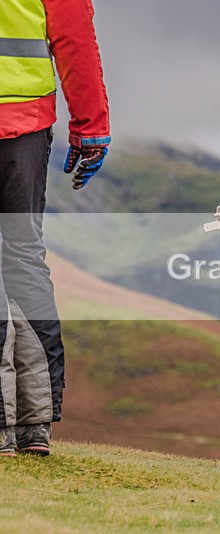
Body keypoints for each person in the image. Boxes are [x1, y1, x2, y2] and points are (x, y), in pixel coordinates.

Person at [0, 0, 111, 457]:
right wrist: (91, 126)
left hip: (26, 122)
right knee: (24, 260)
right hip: (25, 125)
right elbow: (73, 37)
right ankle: (32, 425)